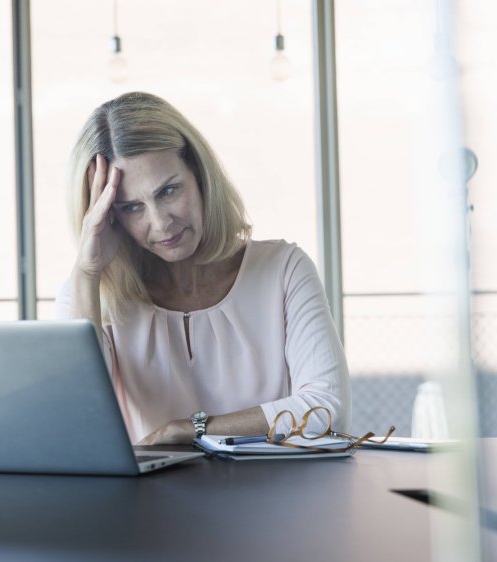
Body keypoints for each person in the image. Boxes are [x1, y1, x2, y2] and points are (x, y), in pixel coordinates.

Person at [55, 91, 351, 445]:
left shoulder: (284, 270)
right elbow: (76, 423)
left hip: (276, 496)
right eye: (132, 207)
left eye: (168, 191)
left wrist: (190, 429)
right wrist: (88, 271)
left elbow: (326, 408)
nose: (161, 223)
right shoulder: (85, 295)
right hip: (149, 501)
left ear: (199, 175)